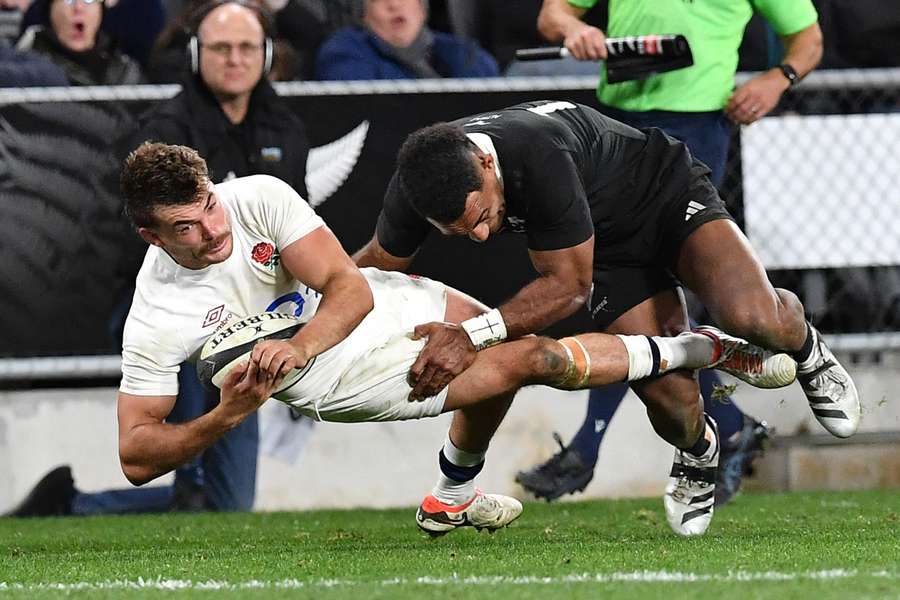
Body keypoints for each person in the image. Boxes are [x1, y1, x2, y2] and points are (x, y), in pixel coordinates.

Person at [97, 141, 782, 536]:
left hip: (368, 309)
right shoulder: (157, 311)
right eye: (186, 226)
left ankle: (450, 494)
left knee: (496, 334)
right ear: (150, 235)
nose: (214, 229)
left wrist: (298, 343)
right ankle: (713, 349)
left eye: (209, 204)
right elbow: (136, 454)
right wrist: (224, 415)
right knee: (533, 359)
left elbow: (352, 285)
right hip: (349, 379)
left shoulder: (255, 198)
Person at [353, 100, 860, 535]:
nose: (481, 236)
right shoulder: (417, 185)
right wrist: (309, 302)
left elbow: (569, 288)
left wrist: (471, 337)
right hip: (607, 252)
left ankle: (807, 349)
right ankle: (700, 451)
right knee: (671, 397)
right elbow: (376, 266)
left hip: (663, 193)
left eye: (481, 217)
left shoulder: (535, 150)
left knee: (754, 317)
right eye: (459, 232)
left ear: (486, 164)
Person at [5, 0, 312, 519]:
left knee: (229, 502)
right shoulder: (162, 132)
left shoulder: (285, 130)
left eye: (245, 48)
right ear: (195, 53)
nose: (234, 60)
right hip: (176, 315)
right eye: (220, 48)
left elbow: (295, 239)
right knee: (186, 480)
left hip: (247, 324)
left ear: (264, 54)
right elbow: (131, 242)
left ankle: (71, 505)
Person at [518, 0, 826, 504]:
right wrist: (576, 30)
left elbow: (808, 37)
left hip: (695, 129)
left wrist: (777, 79)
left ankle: (591, 447)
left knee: (636, 289)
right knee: (623, 289)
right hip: (612, 127)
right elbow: (552, 14)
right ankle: (727, 427)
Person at [314, 0, 499, 81]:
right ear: (364, 15)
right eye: (378, 0)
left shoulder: (461, 51)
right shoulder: (342, 52)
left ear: (422, 9)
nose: (394, 4)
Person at [15, 0, 144, 85]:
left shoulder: (126, 72)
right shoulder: (25, 71)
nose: (78, 7)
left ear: (101, 11)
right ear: (50, 11)